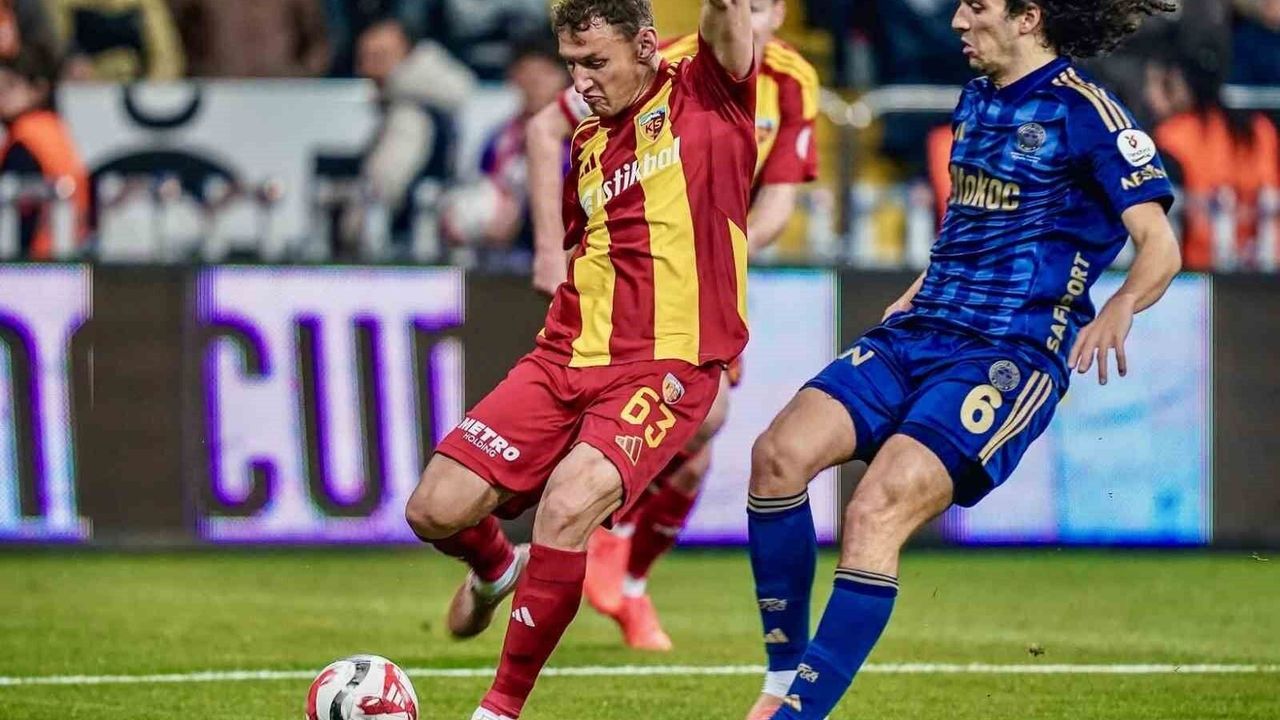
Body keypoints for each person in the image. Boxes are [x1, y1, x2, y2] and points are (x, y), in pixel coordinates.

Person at [742, 0, 1182, 718]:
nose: (956, 20)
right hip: (922, 330)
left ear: (1028, 16)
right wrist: (923, 285)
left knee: (875, 509)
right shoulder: (975, 99)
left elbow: (1160, 244)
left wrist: (1123, 303)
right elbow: (975, 221)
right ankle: (781, 678)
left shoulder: (1089, 114)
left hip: (1009, 351)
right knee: (776, 455)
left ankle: (797, 715)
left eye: (976, 5)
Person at [402, 0, 757, 718]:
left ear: (647, 46)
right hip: (564, 357)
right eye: (571, 65)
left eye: (596, 62)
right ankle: (497, 569)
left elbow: (727, 12)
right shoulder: (590, 143)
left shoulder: (708, 89)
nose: (581, 81)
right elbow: (584, 249)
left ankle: (499, 708)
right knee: (432, 509)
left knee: (566, 507)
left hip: (666, 364)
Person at [523, 0, 818, 651]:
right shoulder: (664, 63)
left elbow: (779, 202)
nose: (753, 20)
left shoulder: (794, 79)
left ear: (780, 13)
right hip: (633, 276)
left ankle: (628, 583)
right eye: (744, 7)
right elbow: (545, 131)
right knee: (704, 414)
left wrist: (721, 244)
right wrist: (549, 250)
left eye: (764, 8)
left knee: (699, 445)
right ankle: (592, 538)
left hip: (709, 274)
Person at [0, 40, 88, 258]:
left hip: (33, 262)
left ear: (39, 89)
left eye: (10, 85)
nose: (1, 95)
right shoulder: (53, 129)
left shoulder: (25, 139)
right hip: (66, 254)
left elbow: (18, 214)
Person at [47, 0, 183, 81]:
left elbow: (167, 57)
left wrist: (150, 90)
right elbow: (56, 45)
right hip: (84, 90)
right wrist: (69, 67)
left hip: (136, 87)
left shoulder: (147, 4)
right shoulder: (61, 4)